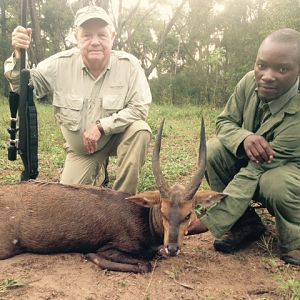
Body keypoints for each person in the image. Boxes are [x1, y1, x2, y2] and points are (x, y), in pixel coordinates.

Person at [4, 5, 152, 195]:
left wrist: (101, 127)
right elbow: (20, 85)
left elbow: (139, 109)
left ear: (113, 36)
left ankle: (124, 201)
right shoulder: (59, 64)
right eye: (87, 35)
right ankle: (98, 172)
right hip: (82, 151)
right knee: (66, 206)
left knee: (140, 130)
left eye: (102, 35)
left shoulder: (130, 66)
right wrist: (18, 54)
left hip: (117, 136)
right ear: (76, 37)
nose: (95, 41)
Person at [187, 28, 300, 266]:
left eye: (282, 69)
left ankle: (295, 241)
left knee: (275, 183)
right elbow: (224, 122)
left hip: (288, 172)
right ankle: (245, 224)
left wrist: (211, 219)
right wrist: (245, 138)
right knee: (214, 151)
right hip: (259, 165)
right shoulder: (249, 81)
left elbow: (256, 170)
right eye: (262, 65)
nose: (267, 76)